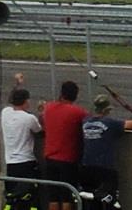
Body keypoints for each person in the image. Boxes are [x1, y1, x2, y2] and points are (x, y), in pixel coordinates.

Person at [79, 95, 132, 209]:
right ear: (106, 110)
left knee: (91, 204)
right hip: (104, 169)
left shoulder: (85, 122)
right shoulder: (110, 123)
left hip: (86, 167)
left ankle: (97, 197)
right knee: (111, 199)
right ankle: (105, 197)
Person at [42, 80, 87, 210]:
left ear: (62, 93)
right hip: (68, 160)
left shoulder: (49, 108)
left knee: (53, 197)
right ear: (75, 95)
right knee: (67, 196)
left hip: (50, 158)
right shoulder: (78, 112)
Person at [0, 87, 43, 210]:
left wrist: (18, 84)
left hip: (11, 163)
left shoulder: (5, 113)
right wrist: (42, 113)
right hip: (26, 162)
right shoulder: (29, 118)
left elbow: (10, 99)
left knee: (12, 197)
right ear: (26, 101)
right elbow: (40, 132)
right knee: (31, 196)